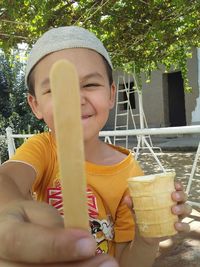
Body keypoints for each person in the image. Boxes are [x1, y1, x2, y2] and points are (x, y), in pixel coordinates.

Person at [0, 26, 191, 267]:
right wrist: (7, 212)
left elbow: (127, 262)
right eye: (57, 89)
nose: (75, 99)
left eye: (90, 85)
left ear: (112, 94)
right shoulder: (42, 149)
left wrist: (146, 240)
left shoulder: (130, 174)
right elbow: (6, 179)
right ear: (35, 104)